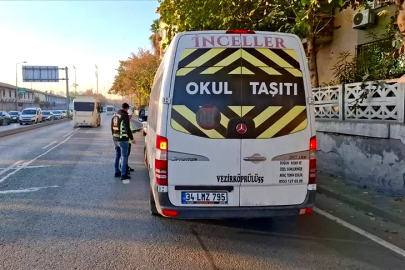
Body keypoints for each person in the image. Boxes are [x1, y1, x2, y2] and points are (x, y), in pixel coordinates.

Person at [111, 103, 134, 180]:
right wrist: (131, 138)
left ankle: (117, 171)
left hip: (115, 138)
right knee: (124, 156)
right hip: (123, 139)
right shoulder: (125, 115)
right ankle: (123, 174)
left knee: (117, 155)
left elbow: (112, 126)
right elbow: (127, 128)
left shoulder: (115, 114)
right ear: (127, 108)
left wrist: (114, 136)